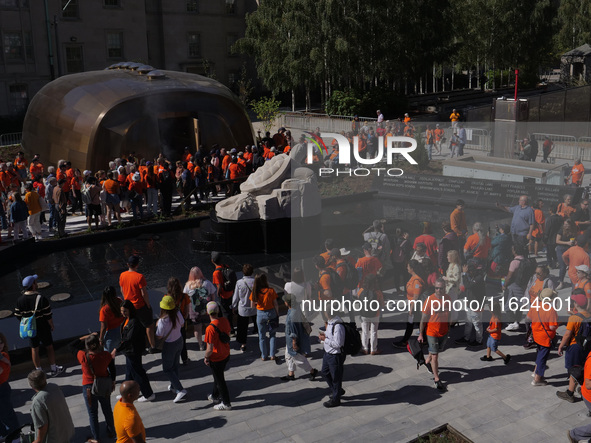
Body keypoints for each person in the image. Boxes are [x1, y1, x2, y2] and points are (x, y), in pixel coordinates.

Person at [14, 275, 64, 376]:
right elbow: (48, 314)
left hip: (30, 329)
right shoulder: (41, 298)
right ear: (33, 285)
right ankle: (54, 368)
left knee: (34, 349)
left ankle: (39, 371)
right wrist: (51, 325)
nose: (36, 283)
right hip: (43, 326)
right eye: (35, 282)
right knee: (49, 347)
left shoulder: (20, 300)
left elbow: (18, 315)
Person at [111, 300, 155, 402]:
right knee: (129, 373)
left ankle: (149, 394)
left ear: (130, 310)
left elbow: (128, 339)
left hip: (133, 351)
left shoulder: (134, 322)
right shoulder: (127, 319)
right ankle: (126, 393)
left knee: (138, 373)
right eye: (122, 311)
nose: (123, 313)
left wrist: (116, 349)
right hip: (129, 351)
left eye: (125, 311)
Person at [77, 334, 116, 443]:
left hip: (89, 386)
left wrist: (85, 337)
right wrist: (113, 381)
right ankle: (111, 430)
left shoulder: (83, 356)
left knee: (93, 414)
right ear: (99, 343)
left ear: (87, 346)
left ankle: (96, 437)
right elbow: (112, 368)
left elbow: (72, 346)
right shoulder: (106, 355)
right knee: (107, 409)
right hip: (103, 385)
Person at [557, 290, 590, 403]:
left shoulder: (573, 319)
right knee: (582, 367)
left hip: (575, 347)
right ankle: (583, 388)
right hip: (586, 347)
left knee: (574, 370)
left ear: (576, 304)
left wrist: (561, 346)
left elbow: (567, 335)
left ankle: (570, 393)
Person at [119, 255, 157, 352]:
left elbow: (122, 289)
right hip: (140, 306)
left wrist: (125, 301)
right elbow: (144, 293)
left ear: (128, 264)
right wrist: (147, 305)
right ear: (137, 265)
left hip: (129, 306)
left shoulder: (122, 275)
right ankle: (152, 346)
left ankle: (140, 347)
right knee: (149, 325)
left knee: (135, 327)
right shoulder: (139, 277)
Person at [418, 278, 450, 391]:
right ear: (434, 288)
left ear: (444, 288)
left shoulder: (448, 298)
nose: (439, 290)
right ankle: (437, 379)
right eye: (437, 288)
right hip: (432, 332)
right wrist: (421, 334)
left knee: (435, 351)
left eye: (441, 288)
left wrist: (449, 326)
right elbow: (423, 319)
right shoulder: (429, 300)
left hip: (444, 331)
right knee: (435, 355)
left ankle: (426, 362)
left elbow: (448, 313)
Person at [28, 369, 75, 443]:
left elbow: (43, 425)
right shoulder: (54, 387)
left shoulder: (38, 401)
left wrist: (38, 441)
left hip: (54, 438)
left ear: (32, 386)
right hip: (65, 432)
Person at [156, 295, 187, 403]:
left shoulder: (162, 321)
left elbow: (159, 336)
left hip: (169, 345)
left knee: (167, 369)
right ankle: (174, 386)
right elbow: (182, 325)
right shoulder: (178, 314)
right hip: (179, 340)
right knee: (175, 365)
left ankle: (179, 389)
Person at [281, 293, 317, 381]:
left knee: (298, 359)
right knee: (288, 356)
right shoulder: (295, 308)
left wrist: (294, 343)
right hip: (290, 339)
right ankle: (291, 373)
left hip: (293, 340)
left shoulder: (292, 315)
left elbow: (293, 331)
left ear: (287, 303)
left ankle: (312, 371)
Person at [204, 301, 232, 410]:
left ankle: (226, 403)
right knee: (218, 376)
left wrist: (206, 357)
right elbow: (228, 335)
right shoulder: (224, 320)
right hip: (225, 353)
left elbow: (209, 349)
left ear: (207, 312)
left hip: (216, 358)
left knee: (220, 381)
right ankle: (215, 395)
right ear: (218, 311)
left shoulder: (210, 329)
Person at [393, 260, 427, 348]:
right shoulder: (413, 277)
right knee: (417, 322)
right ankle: (424, 339)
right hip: (414, 304)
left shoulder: (417, 281)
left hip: (416, 306)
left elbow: (416, 296)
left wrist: (411, 309)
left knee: (411, 323)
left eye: (408, 266)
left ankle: (405, 341)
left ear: (412, 268)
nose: (407, 268)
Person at [528, 288, 558, 386]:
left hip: (536, 335)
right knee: (543, 358)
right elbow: (552, 326)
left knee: (540, 354)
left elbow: (529, 318)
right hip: (546, 338)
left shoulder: (535, 305)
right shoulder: (551, 310)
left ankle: (535, 371)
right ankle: (537, 379)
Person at [454, 260, 486, 347]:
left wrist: (464, 274)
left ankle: (479, 340)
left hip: (477, 305)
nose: (468, 272)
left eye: (468, 271)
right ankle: (466, 338)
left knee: (477, 324)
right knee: (468, 322)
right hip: (470, 303)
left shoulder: (478, 278)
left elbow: (468, 286)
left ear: (471, 271)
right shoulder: (472, 276)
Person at [184, 266, 216, 351]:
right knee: (208, 326)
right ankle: (209, 342)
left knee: (197, 328)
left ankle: (201, 345)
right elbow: (213, 294)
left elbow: (185, 298)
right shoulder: (207, 283)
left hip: (194, 311)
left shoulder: (188, 285)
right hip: (206, 309)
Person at [318, 309, 346, 408]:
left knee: (336, 378)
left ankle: (336, 399)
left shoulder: (338, 326)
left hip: (335, 356)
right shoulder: (330, 322)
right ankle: (337, 390)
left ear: (328, 313)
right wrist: (325, 336)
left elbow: (338, 344)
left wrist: (325, 339)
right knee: (325, 372)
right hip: (327, 353)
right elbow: (331, 336)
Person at [249, 273, 280, 361]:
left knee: (262, 336)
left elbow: (252, 306)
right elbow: (276, 304)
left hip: (260, 314)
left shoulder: (255, 292)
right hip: (271, 313)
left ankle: (263, 355)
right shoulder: (271, 290)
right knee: (272, 335)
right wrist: (277, 314)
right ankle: (272, 354)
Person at [232, 264, 257, 352]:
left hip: (243, 308)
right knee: (256, 323)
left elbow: (236, 297)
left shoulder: (239, 282)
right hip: (254, 307)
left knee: (242, 327)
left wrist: (233, 306)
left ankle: (243, 344)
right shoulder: (256, 281)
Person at [166, 277, 190, 366]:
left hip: (171, 322)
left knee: (172, 342)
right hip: (182, 322)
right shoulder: (184, 296)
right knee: (183, 341)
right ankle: (185, 359)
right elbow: (187, 311)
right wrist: (184, 318)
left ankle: (174, 360)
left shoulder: (166, 297)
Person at [357, 274, 384, 355]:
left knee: (365, 331)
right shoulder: (378, 292)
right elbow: (382, 304)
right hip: (375, 314)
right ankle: (373, 349)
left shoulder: (360, 290)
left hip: (363, 314)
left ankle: (365, 348)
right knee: (374, 332)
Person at [0, 332, 19, 440]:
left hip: (2, 388)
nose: (0, 345)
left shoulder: (4, 356)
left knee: (8, 414)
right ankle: (3, 433)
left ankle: (15, 436)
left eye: (1, 342)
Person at [211, 251, 235, 335]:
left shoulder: (216, 273)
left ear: (212, 261)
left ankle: (230, 330)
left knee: (225, 313)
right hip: (230, 292)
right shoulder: (226, 266)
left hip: (224, 296)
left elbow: (219, 286)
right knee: (229, 310)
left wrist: (218, 294)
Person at [99, 286, 124, 352]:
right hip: (122, 329)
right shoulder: (119, 300)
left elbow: (103, 327)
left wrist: (101, 339)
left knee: (109, 355)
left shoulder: (104, 310)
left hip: (112, 333)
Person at [556, 219, 578, 290]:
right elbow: (557, 241)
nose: (565, 226)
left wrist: (575, 242)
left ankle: (573, 281)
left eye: (567, 224)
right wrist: (567, 243)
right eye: (564, 224)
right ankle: (561, 282)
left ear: (570, 225)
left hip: (570, 249)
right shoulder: (561, 230)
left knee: (571, 266)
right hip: (561, 249)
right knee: (562, 266)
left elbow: (576, 238)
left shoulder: (573, 230)